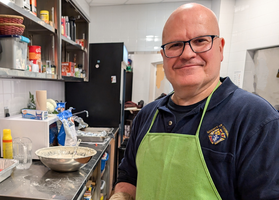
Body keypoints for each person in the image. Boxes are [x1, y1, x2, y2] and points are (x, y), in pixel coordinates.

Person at [111, 3, 279, 200]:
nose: (187, 54)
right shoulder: (148, 115)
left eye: (200, 41)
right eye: (175, 45)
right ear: (164, 56)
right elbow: (129, 178)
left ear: (220, 48)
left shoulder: (256, 120)